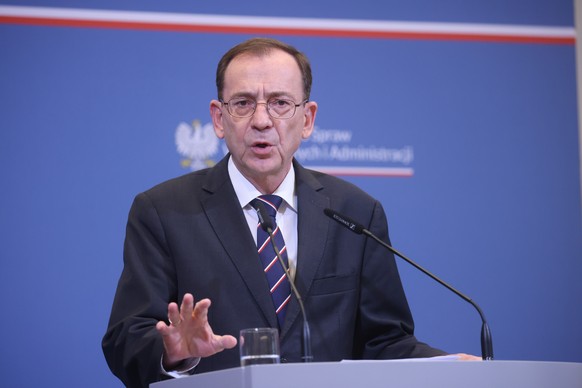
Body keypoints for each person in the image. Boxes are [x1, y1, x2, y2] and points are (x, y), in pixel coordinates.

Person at [102, 37, 472, 388]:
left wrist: (451, 367)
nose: (262, 120)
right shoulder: (164, 212)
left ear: (307, 119)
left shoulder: (355, 212)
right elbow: (124, 340)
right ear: (218, 118)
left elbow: (384, 342)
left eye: (280, 103)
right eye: (243, 103)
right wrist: (173, 353)